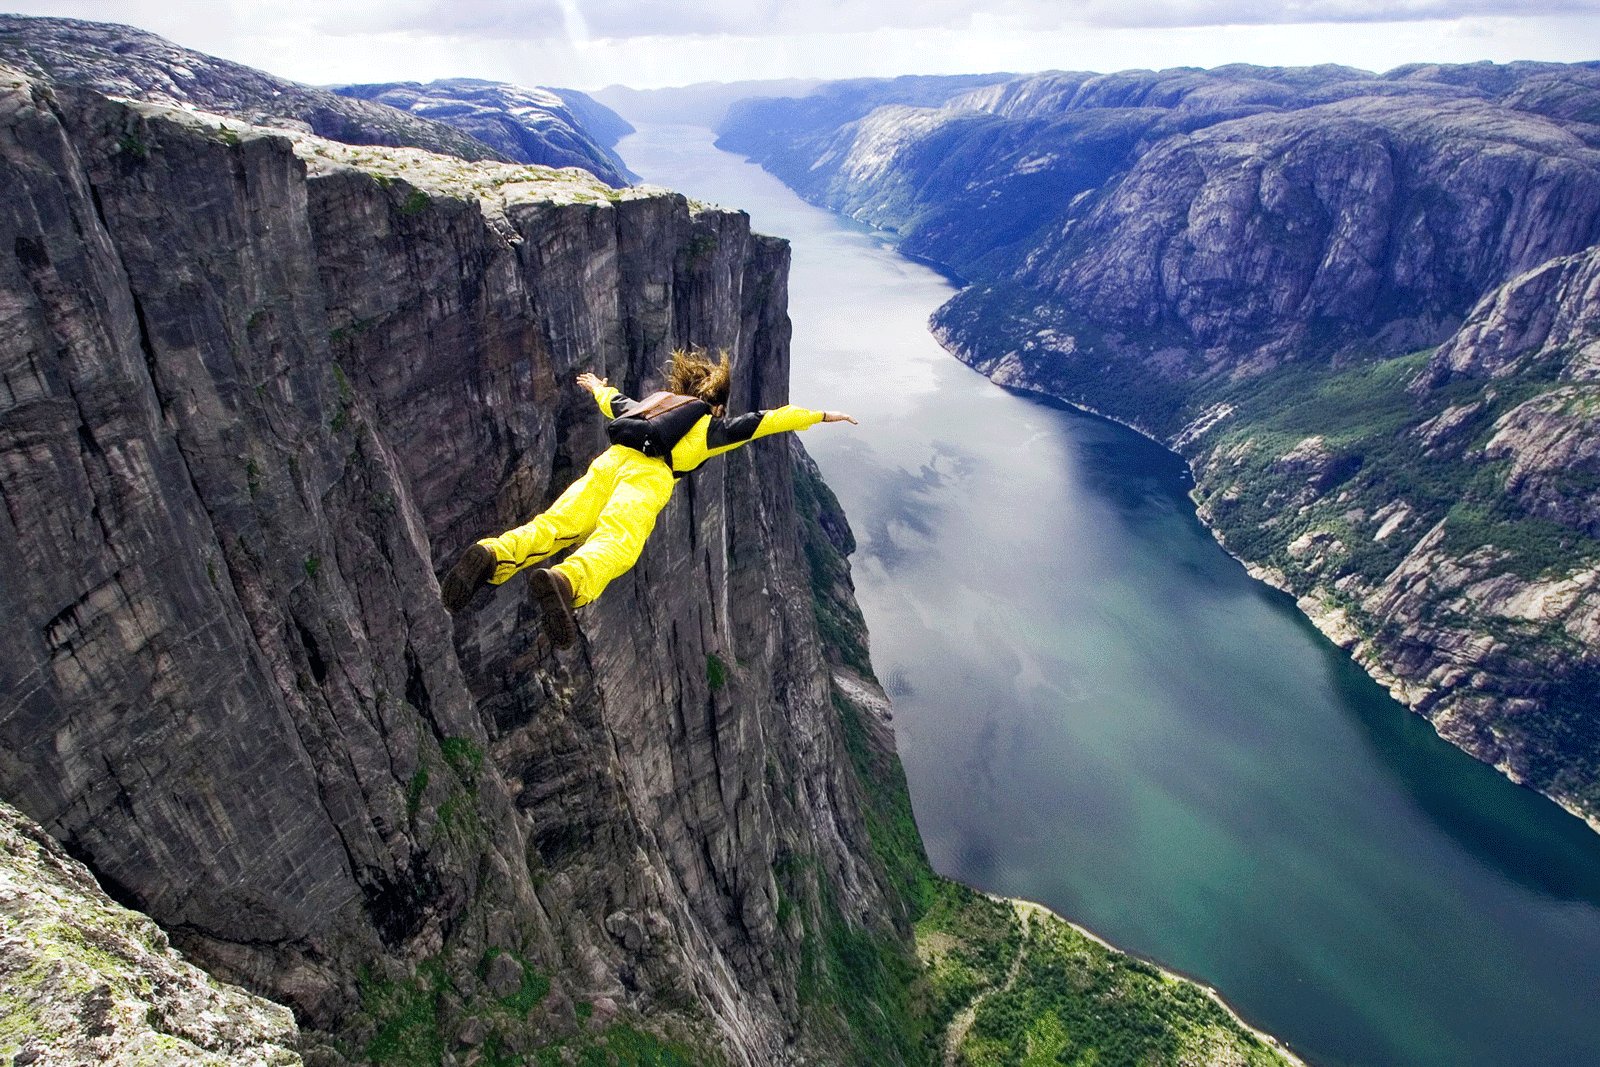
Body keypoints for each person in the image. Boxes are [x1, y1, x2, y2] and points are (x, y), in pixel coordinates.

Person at [439, 348, 857, 647]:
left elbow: (614, 401)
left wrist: (597, 387)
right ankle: (568, 581)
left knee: (553, 526)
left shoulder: (652, 407)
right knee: (618, 541)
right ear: (716, 406)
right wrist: (821, 415)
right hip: (647, 477)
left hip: (609, 462)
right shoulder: (709, 428)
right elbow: (766, 421)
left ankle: (492, 553)